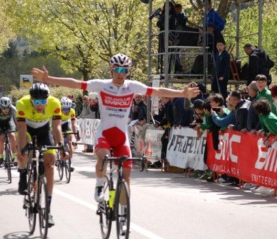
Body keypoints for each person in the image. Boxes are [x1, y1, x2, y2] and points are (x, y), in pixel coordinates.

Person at [31, 53, 199, 202]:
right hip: (104, 133)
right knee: (103, 157)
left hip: (121, 137)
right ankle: (99, 184)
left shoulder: (132, 87)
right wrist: (49, 79)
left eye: (124, 71)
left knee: (126, 175)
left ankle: (122, 212)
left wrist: (182, 94)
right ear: (111, 70)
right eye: (117, 70)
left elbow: (157, 90)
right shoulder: (101, 85)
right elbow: (75, 83)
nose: (121, 74)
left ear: (128, 72)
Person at [16, 83, 70, 227]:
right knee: (24, 151)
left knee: (50, 166)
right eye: (36, 102)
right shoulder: (22, 103)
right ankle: (23, 174)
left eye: (43, 101)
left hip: (44, 131)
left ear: (48, 99)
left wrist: (62, 146)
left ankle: (48, 210)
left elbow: (57, 127)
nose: (40, 105)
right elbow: (21, 130)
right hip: (27, 130)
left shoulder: (54, 103)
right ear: (31, 100)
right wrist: (22, 150)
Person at [0, 97, 18, 168]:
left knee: (12, 136)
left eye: (7, 108)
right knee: (1, 138)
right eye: (3, 108)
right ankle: (1, 158)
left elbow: (16, 121)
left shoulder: (13, 109)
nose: (5, 110)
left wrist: (18, 130)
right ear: (0, 106)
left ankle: (14, 156)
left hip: (9, 122)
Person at [60, 96, 78, 169]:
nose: (66, 111)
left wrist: (75, 134)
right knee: (58, 140)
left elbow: (73, 124)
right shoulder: (58, 111)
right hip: (58, 123)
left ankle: (70, 162)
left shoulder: (72, 111)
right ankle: (57, 156)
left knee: (70, 141)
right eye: (64, 109)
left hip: (66, 124)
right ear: (61, 108)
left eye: (68, 109)